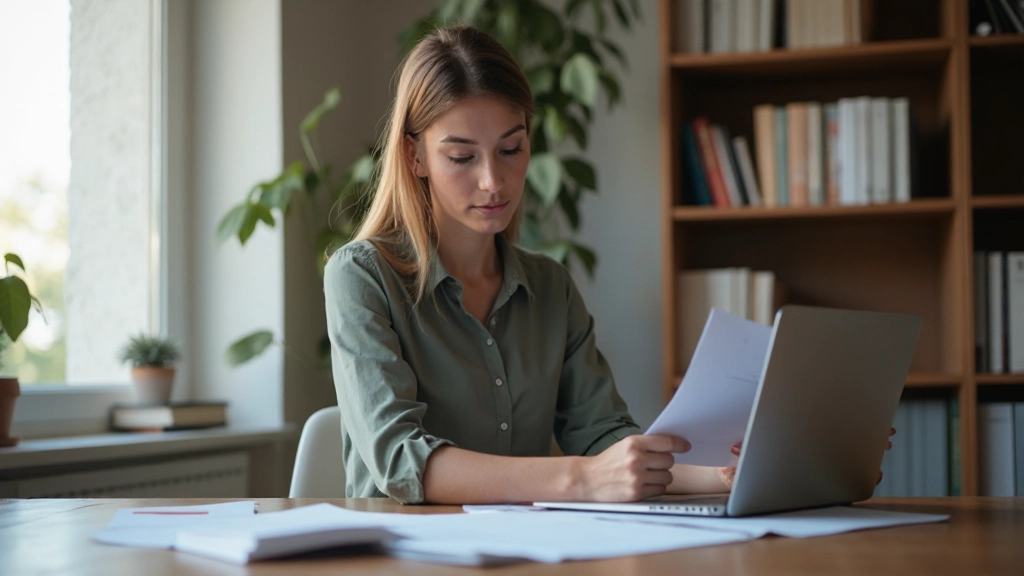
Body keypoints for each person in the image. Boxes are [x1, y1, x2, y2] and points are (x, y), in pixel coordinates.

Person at [324, 25, 890, 505]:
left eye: (511, 148)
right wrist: (582, 479)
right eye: (461, 156)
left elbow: (604, 439)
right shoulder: (361, 277)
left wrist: (722, 476)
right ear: (414, 156)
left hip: (521, 556)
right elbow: (401, 461)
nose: (493, 181)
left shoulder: (549, 286)